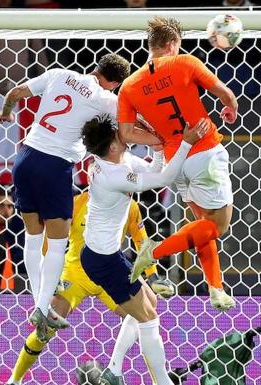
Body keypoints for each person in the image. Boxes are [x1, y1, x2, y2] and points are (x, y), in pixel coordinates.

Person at [0, 53, 137, 339]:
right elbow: (131, 126)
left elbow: (15, 92)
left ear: (97, 68)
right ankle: (42, 307)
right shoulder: (107, 100)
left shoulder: (59, 73)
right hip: (55, 167)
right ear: (114, 83)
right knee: (58, 243)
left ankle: (37, 302)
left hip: (25, 158)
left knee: (32, 238)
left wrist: (7, 112)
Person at [117, 16, 239, 311]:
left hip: (175, 161)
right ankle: (153, 251)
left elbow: (126, 132)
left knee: (201, 225)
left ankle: (216, 289)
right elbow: (224, 92)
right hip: (204, 151)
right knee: (217, 226)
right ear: (172, 44)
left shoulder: (130, 85)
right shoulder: (184, 62)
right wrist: (230, 108)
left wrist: (156, 140)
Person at [79, 114, 207, 385]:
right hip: (102, 261)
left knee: (150, 304)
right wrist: (185, 144)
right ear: (112, 147)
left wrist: (159, 147)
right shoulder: (112, 175)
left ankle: (114, 371)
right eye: (117, 135)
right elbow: (164, 179)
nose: (123, 134)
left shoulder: (117, 161)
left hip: (108, 254)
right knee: (148, 319)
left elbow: (155, 170)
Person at [3, 190, 174, 385]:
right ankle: (14, 379)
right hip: (76, 273)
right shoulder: (77, 203)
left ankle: (114, 369)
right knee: (45, 329)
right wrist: (48, 276)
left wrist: (153, 276)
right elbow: (51, 239)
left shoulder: (130, 206)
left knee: (143, 312)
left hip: (108, 273)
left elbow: (141, 242)